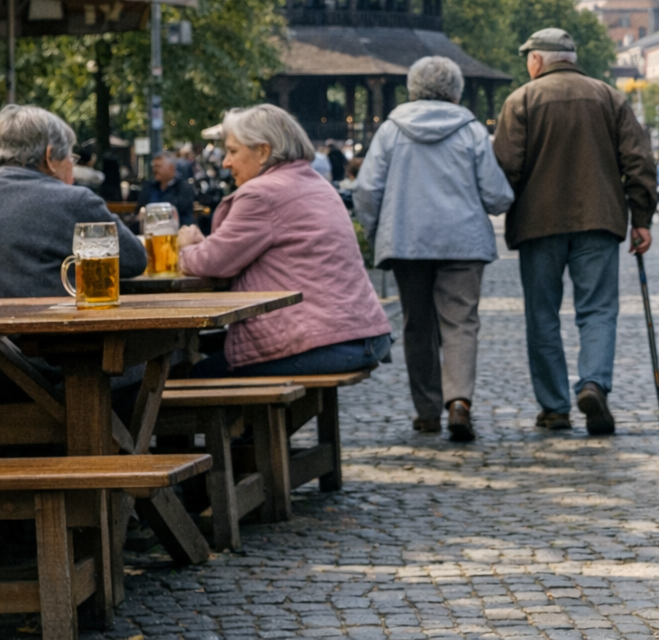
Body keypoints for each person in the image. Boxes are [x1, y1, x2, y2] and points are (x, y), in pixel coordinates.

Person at [493, 28, 656, 435]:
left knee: (542, 316)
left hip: (537, 223)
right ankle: (594, 384)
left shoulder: (521, 100)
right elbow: (638, 161)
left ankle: (554, 407)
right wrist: (642, 219)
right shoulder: (609, 96)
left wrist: (497, 209)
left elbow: (505, 169)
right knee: (598, 310)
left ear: (537, 60)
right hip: (599, 220)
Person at [353, 56, 514, 442]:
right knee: (460, 323)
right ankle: (459, 401)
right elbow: (496, 194)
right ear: (457, 92)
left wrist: (377, 231)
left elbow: (366, 189)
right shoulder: (472, 130)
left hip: (407, 241)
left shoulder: (392, 130)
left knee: (417, 325)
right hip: (463, 242)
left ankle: (427, 411)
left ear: (412, 89)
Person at [176, 105, 393, 377]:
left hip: (327, 340)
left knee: (188, 378)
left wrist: (187, 246)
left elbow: (212, 261)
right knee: (215, 354)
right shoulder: (313, 181)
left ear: (263, 151)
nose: (225, 163)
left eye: (233, 151)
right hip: (361, 333)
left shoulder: (262, 193)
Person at [0, 105, 147, 298]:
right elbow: (134, 260)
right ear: (49, 157)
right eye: (71, 157)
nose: (72, 166)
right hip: (46, 325)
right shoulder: (72, 202)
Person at [139, 149, 196, 226]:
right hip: (150, 231)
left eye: (158, 166)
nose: (154, 170)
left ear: (171, 168)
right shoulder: (150, 186)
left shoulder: (184, 188)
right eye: (154, 166)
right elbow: (140, 207)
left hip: (176, 232)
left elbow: (175, 211)